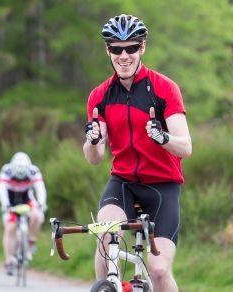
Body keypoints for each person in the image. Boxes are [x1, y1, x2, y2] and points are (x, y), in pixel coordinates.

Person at [83, 14, 192, 292]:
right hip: (123, 182)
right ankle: (109, 286)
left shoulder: (164, 88)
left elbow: (186, 147)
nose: (124, 55)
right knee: (107, 235)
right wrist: (93, 140)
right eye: (117, 49)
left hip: (163, 184)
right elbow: (94, 158)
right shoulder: (100, 96)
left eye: (131, 48)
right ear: (108, 50)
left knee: (157, 270)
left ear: (142, 48)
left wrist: (162, 137)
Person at [0, 152, 47, 276]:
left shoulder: (34, 171)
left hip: (26, 199)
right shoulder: (6, 171)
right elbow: (1, 189)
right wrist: (5, 204)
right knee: (10, 228)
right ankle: (8, 261)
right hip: (11, 201)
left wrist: (41, 203)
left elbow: (40, 188)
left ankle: (31, 241)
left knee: (36, 215)